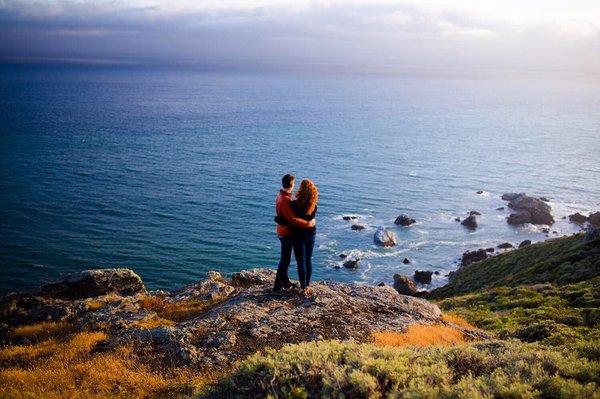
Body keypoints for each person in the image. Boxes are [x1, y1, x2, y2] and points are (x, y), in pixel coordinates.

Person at [273, 174, 315, 292]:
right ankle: (277, 286)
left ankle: (285, 282)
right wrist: (308, 224)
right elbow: (292, 220)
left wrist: (279, 219)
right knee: (285, 260)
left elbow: (283, 216)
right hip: (287, 233)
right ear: (292, 184)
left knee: (285, 258)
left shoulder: (280, 195)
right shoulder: (286, 200)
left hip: (282, 230)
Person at [290, 179, 318, 297]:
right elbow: (311, 219)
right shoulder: (313, 205)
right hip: (310, 234)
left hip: (298, 235)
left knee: (300, 261)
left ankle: (303, 288)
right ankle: (307, 286)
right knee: (308, 260)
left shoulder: (293, 204)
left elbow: (291, 219)